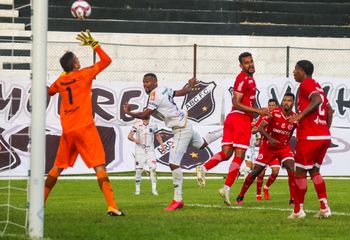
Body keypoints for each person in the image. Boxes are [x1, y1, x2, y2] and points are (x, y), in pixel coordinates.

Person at [44, 30, 124, 216]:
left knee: (57, 167)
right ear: (76, 64)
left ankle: (40, 203)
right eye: (77, 59)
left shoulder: (61, 81)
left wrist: (64, 72)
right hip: (85, 128)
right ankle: (112, 205)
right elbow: (107, 61)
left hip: (68, 132)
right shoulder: (85, 74)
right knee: (99, 166)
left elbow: (50, 92)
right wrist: (94, 44)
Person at [123, 73, 222, 211]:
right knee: (202, 144)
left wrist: (129, 113)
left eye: (148, 82)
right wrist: (190, 85)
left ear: (155, 82)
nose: (145, 84)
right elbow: (182, 92)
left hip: (180, 128)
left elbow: (145, 114)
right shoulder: (164, 89)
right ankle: (226, 129)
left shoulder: (154, 95)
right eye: (144, 82)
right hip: (184, 123)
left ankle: (177, 199)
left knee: (173, 163)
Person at [196, 52, 268, 206]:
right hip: (239, 118)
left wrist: (257, 113)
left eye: (251, 61)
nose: (250, 64)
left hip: (234, 118)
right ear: (241, 66)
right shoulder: (243, 79)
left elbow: (244, 104)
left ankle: (204, 167)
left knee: (227, 153)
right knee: (239, 155)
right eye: (247, 63)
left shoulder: (249, 79)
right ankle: (226, 189)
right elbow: (236, 103)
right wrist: (257, 111)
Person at [287, 60, 334, 219]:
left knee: (299, 172)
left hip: (310, 136)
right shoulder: (318, 86)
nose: (294, 72)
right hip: (323, 136)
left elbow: (318, 101)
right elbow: (329, 110)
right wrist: (325, 128)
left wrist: (300, 115)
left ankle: (297, 211)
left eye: (296, 69)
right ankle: (324, 207)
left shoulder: (306, 84)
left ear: (302, 71)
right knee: (314, 171)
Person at [236, 93, 297, 205]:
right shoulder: (274, 113)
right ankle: (240, 196)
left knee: (291, 167)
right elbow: (260, 127)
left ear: (293, 103)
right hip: (268, 147)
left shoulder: (295, 117)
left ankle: (293, 199)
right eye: (284, 100)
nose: (286, 102)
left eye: (289, 100)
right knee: (256, 172)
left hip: (284, 147)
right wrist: (270, 138)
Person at [128, 116, 166, 196]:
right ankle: (137, 191)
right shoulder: (137, 124)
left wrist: (162, 145)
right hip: (140, 151)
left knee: (153, 170)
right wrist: (135, 140)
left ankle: (154, 190)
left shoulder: (153, 124)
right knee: (138, 171)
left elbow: (157, 135)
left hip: (150, 151)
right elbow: (129, 136)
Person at [252, 98, 279, 201]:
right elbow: (255, 129)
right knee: (261, 172)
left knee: (275, 171)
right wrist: (252, 129)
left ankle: (266, 187)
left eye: (273, 105)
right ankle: (258, 194)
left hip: (276, 149)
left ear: (277, 106)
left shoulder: (280, 116)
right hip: (264, 148)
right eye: (269, 105)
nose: (271, 107)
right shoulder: (263, 116)